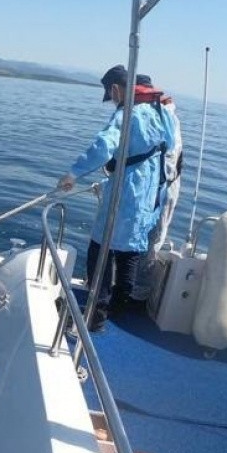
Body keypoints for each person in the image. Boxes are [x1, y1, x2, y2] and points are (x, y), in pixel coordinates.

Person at [58, 65, 176, 330]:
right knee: (129, 252)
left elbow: (104, 146)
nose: (112, 100)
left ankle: (95, 317)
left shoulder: (126, 114)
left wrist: (73, 173)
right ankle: (119, 308)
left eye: (111, 95)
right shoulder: (160, 111)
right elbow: (170, 146)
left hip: (126, 192)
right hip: (149, 193)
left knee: (99, 250)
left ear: (115, 89)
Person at [131, 74, 184, 303]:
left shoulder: (165, 118)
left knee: (151, 240)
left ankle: (138, 294)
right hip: (151, 189)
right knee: (137, 237)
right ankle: (128, 286)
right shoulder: (156, 114)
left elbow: (166, 164)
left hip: (161, 191)